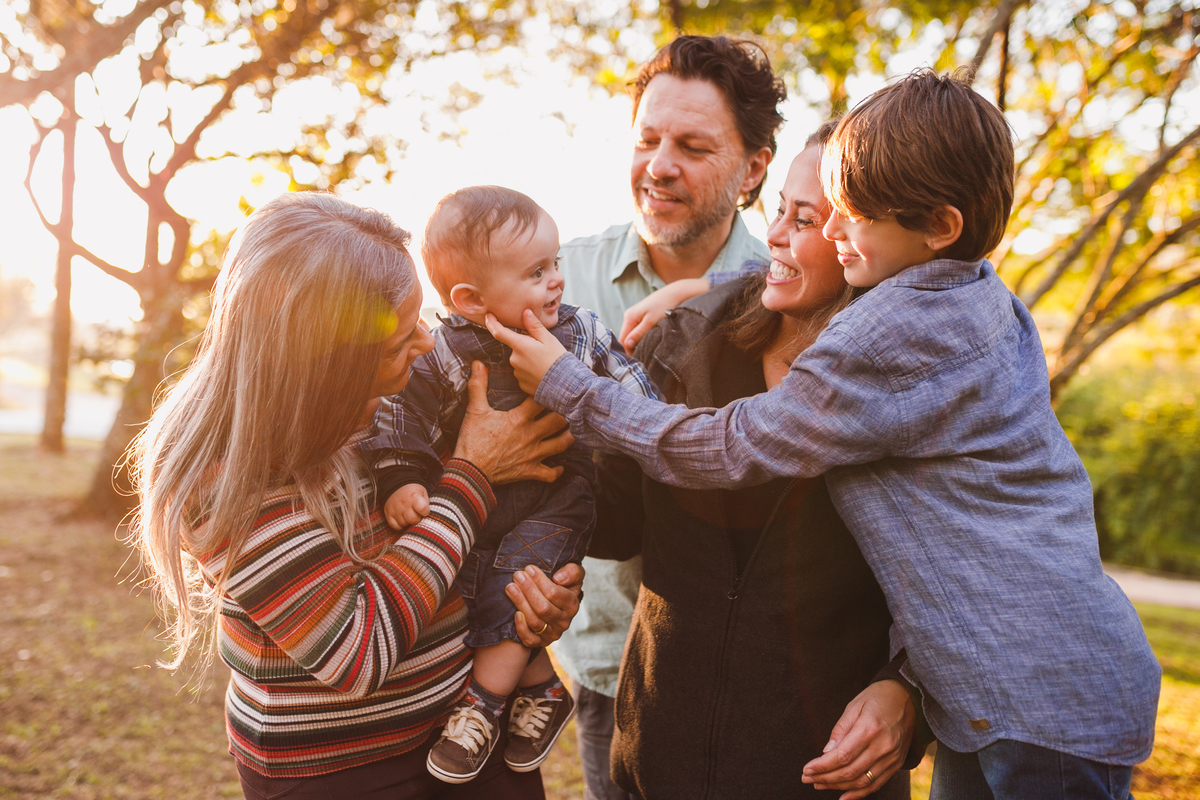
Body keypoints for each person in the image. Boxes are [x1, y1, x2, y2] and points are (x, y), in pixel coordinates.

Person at [490, 70, 1161, 800]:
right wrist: (706, 297)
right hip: (691, 740)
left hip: (1009, 709)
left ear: (934, 227)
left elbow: (734, 447)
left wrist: (569, 384)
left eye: (827, 216)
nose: (804, 232)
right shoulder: (965, 302)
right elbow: (615, 514)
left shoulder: (894, 339)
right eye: (790, 210)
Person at [129, 192, 586, 799]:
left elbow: (455, 546)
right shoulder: (222, 476)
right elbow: (357, 650)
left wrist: (532, 595)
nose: (426, 344)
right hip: (345, 772)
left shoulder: (389, 405)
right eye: (397, 342)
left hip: (467, 736)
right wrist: (473, 475)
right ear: (321, 362)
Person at [585, 123, 930, 799]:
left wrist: (907, 691)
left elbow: (960, 578)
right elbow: (611, 522)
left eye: (805, 219)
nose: (773, 235)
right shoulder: (687, 342)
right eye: (780, 210)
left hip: (825, 779)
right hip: (655, 768)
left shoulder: (915, 387)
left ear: (865, 243)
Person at [362, 186, 660, 784]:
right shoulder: (443, 350)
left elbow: (635, 393)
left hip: (558, 497)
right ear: (470, 299)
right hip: (477, 501)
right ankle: (543, 687)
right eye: (535, 272)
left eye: (555, 266)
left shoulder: (578, 334)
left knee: (518, 582)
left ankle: (481, 705)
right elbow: (403, 417)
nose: (556, 282)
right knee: (471, 588)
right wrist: (401, 478)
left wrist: (651, 427)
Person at [552, 34, 783, 800]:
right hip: (603, 659)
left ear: (753, 168)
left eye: (691, 145)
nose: (658, 166)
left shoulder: (799, 295)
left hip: (756, 680)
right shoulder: (560, 278)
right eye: (647, 140)